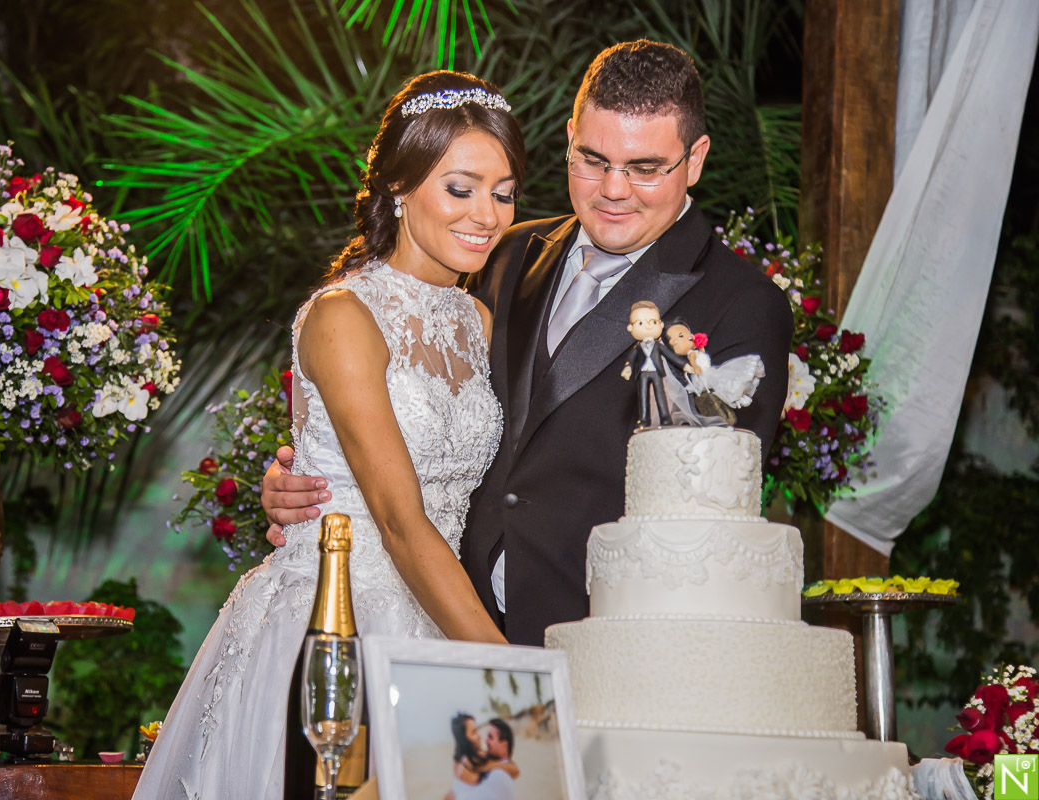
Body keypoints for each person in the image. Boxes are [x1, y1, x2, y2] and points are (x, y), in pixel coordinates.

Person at [262, 40, 793, 647]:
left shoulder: (741, 305)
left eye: (644, 168)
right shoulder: (502, 257)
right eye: (592, 159)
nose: (613, 189)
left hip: (610, 642)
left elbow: (708, 516)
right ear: (568, 139)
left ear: (694, 160)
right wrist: (304, 477)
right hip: (448, 617)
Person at [131, 71, 525, 800]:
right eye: (461, 188)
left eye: (503, 191)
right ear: (401, 190)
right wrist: (509, 680)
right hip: (338, 624)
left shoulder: (478, 322)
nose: (487, 214)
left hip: (444, 613)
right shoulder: (344, 316)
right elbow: (397, 518)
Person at [619, 300, 692, 428]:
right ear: (630, 328)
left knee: (660, 395)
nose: (648, 326)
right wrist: (628, 367)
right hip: (642, 374)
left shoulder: (659, 346)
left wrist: (685, 366)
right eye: (641, 323)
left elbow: (672, 357)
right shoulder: (637, 348)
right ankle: (643, 419)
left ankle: (665, 417)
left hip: (657, 372)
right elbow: (631, 359)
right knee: (643, 396)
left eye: (653, 322)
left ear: (661, 324)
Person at [447, 715, 518, 800]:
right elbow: (515, 771)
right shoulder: (471, 761)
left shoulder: (463, 758)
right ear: (464, 739)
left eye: (477, 730)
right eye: (474, 732)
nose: (480, 736)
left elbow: (514, 770)